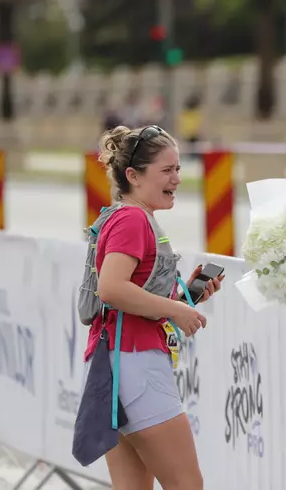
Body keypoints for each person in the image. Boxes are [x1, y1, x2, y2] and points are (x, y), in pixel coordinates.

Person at [84, 125, 224, 488]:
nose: (176, 179)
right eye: (166, 170)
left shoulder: (125, 215)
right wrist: (177, 311)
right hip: (137, 366)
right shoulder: (133, 218)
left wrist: (186, 299)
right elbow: (112, 288)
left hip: (114, 364)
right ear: (133, 175)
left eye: (178, 169)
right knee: (187, 485)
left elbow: (133, 299)